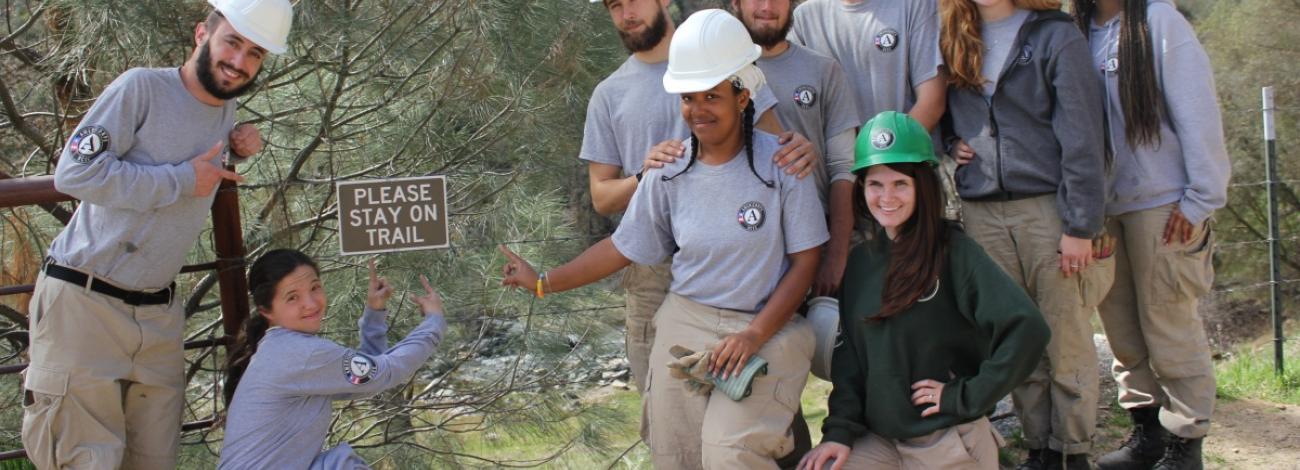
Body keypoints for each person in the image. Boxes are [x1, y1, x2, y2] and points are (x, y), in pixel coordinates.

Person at [502, 11, 827, 468]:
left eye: (711, 95)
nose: (697, 109)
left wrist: (754, 334)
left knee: (729, 455)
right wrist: (543, 282)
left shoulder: (783, 167)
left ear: (743, 96)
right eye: (688, 97)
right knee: (676, 456)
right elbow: (620, 248)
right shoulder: (668, 173)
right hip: (684, 323)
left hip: (768, 327)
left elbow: (806, 262)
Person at [22, 1, 292, 468]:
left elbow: (191, 150)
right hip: (84, 303)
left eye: (254, 54)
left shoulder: (226, 106)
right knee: (82, 459)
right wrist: (181, 181)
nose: (239, 62)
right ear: (201, 35)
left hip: (157, 317)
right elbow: (75, 174)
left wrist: (238, 145)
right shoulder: (140, 87)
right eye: (232, 42)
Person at [583, 0, 816, 399]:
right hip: (652, 269)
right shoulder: (609, 94)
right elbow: (602, 197)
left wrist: (802, 150)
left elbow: (779, 151)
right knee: (665, 409)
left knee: (757, 404)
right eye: (614, 5)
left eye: (634, 0)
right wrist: (644, 177)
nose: (627, 13)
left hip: (739, 262)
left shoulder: (724, 56)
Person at [798, 111, 1050, 470]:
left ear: (923, 186)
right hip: (881, 441)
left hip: (945, 440)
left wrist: (966, 395)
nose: (887, 197)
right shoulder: (860, 263)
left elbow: (1028, 329)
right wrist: (839, 432)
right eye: (874, 184)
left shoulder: (955, 252)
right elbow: (850, 359)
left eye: (900, 183)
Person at [938, 0, 1109, 468]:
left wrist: (1080, 225)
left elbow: (1083, 136)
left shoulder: (1055, 36)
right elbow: (939, 110)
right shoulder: (952, 33)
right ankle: (1039, 448)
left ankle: (1073, 449)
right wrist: (950, 142)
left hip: (1047, 209)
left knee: (1064, 335)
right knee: (1016, 336)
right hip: (981, 212)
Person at [1073, 1, 1231, 468]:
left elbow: (1197, 108)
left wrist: (1201, 198)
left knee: (1169, 323)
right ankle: (1147, 434)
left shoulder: (1158, 21)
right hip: (1103, 208)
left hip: (1163, 204)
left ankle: (1187, 440)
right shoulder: (1076, 28)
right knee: (1120, 328)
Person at [219, 251, 446, 469]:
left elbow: (362, 383)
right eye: (292, 297)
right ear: (266, 311)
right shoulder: (300, 353)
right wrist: (434, 322)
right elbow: (386, 372)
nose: (311, 303)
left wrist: (375, 314)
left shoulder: (278, 348)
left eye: (315, 288)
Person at [731, 0, 860, 297]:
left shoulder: (824, 70)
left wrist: (838, 253)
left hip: (817, 236)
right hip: (746, 243)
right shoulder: (714, 72)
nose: (767, 6)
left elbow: (843, 166)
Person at [789, 0, 946, 131]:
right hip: (839, 164)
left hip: (906, 159)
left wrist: (884, 159)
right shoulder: (803, 18)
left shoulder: (916, 4)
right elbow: (796, 112)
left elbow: (932, 102)